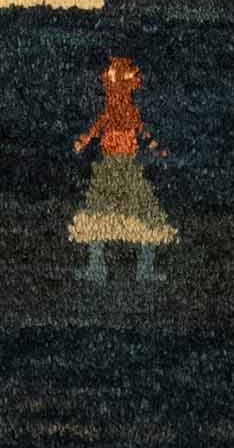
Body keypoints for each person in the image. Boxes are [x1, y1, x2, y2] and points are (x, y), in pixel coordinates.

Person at [69, 56, 176, 284]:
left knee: (140, 217)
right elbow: (96, 131)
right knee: (102, 218)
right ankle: (100, 268)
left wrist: (157, 148)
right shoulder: (111, 113)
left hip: (126, 169)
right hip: (111, 169)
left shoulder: (127, 112)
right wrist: (83, 141)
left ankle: (142, 270)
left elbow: (143, 133)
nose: (116, 95)